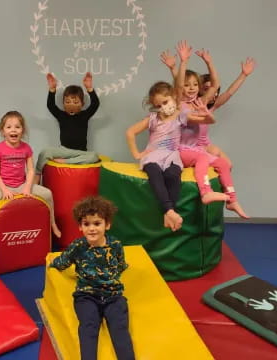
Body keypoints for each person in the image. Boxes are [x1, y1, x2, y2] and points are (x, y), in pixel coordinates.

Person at [126, 40, 216, 231]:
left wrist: (183, 63)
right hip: (154, 153)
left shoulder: (180, 116)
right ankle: (170, 211)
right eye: (158, 105)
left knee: (173, 176)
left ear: (174, 99)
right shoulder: (153, 118)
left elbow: (205, 119)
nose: (163, 107)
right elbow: (130, 132)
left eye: (165, 102)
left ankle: (169, 212)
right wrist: (137, 153)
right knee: (154, 173)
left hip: (172, 155)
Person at [161, 46, 249, 218]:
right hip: (180, 150)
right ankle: (205, 192)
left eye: (195, 84)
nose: (191, 88)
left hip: (196, 149)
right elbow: (178, 86)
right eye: (187, 85)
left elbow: (216, 85)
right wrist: (182, 62)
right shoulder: (178, 103)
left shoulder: (201, 102)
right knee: (202, 158)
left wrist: (209, 62)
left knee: (223, 164)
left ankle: (232, 200)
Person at [48, 196, 135, 360]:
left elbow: (121, 264)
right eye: (86, 224)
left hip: (113, 296)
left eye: (97, 223)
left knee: (120, 329)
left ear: (107, 224)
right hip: (87, 296)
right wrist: (52, 264)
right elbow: (63, 261)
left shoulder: (115, 244)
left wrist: (119, 274)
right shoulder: (78, 246)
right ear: (80, 227)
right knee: (88, 327)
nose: (92, 229)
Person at [0, 111, 61, 252]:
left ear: (22, 130)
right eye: (9, 127)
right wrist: (4, 190)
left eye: (17, 127)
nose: (13, 130)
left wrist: (27, 188)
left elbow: (31, 170)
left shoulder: (26, 148)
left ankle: (53, 224)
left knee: (47, 194)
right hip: (1, 185)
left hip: (21, 184)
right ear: (2, 131)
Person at [34, 72, 100, 184]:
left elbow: (95, 104)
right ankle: (36, 178)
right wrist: (52, 89)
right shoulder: (61, 115)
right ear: (63, 103)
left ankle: (67, 162)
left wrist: (89, 88)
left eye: (75, 102)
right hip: (63, 150)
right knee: (44, 152)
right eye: (68, 101)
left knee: (94, 156)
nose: (71, 104)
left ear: (82, 103)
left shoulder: (85, 115)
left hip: (80, 152)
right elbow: (51, 106)